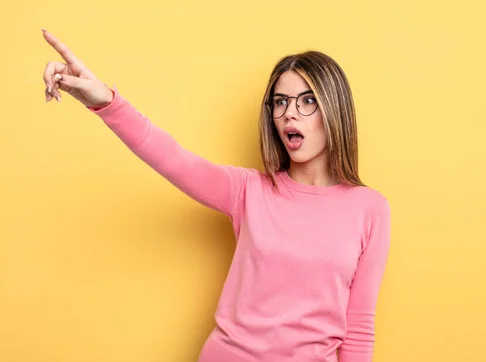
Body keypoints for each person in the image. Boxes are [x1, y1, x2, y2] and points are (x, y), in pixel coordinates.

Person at [41, 28, 391, 362]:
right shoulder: (249, 190)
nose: (289, 114)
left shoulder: (369, 209)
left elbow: (359, 328)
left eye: (307, 101)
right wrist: (106, 101)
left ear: (335, 109)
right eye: (280, 102)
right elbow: (174, 159)